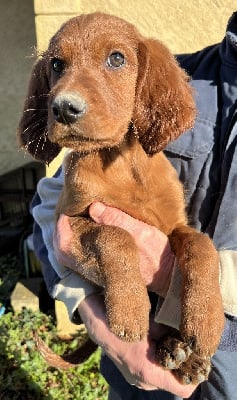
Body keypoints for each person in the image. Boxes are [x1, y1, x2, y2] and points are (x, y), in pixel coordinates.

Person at [31, 11, 237, 400]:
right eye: (58, 66)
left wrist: (176, 276)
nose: (66, 95)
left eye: (114, 60)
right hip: (136, 383)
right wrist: (91, 309)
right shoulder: (179, 73)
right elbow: (49, 209)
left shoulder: (157, 73)